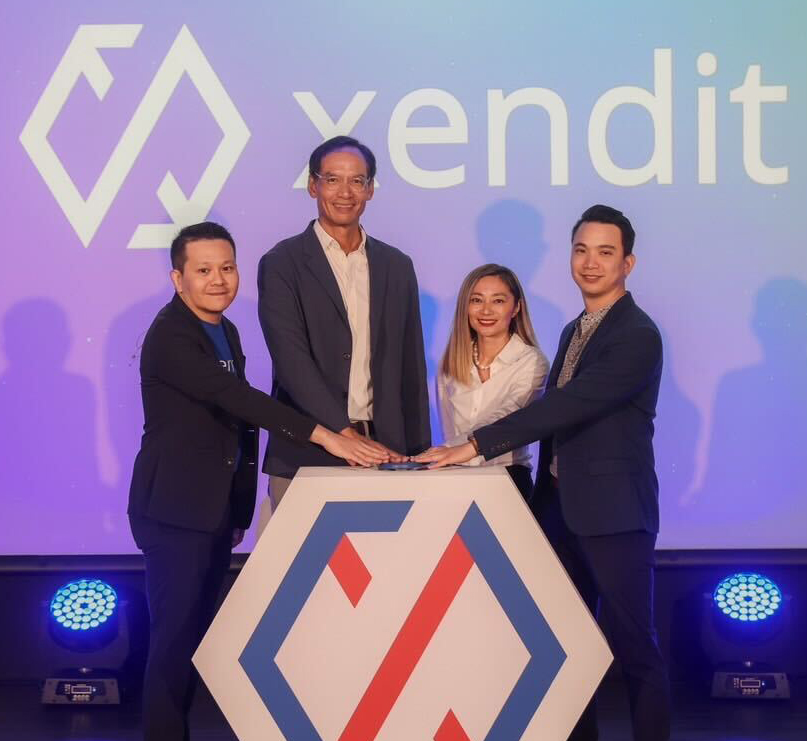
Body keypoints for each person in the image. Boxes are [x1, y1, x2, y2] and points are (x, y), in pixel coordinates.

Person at [417, 205, 672, 741]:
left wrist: (473, 446)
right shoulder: (576, 329)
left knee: (633, 648)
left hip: (614, 515)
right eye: (581, 250)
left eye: (605, 252)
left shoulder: (637, 334)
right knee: (568, 648)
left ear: (627, 263)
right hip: (559, 508)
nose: (590, 262)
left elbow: (567, 406)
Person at [127, 221, 389, 741]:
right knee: (174, 641)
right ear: (178, 278)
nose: (219, 280)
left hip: (212, 510)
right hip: (176, 511)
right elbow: (239, 400)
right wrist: (329, 437)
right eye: (204, 270)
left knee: (195, 639)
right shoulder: (172, 334)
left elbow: (237, 427)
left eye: (227, 268)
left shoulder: (224, 329)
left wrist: (239, 508)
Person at [258, 135, 430, 510]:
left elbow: (411, 367)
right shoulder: (282, 263)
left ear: (370, 189)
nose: (345, 192)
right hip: (306, 451)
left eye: (357, 181)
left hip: (386, 451)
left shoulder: (397, 266)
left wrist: (417, 454)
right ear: (313, 185)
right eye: (333, 179)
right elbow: (291, 362)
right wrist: (343, 433)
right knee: (301, 551)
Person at [428, 263, 548, 497]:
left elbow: (509, 417)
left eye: (498, 301)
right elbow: (447, 427)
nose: (486, 311)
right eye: (476, 300)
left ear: (516, 308)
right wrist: (447, 455)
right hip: (456, 478)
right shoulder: (451, 362)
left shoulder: (532, 361)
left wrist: (454, 450)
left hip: (508, 479)